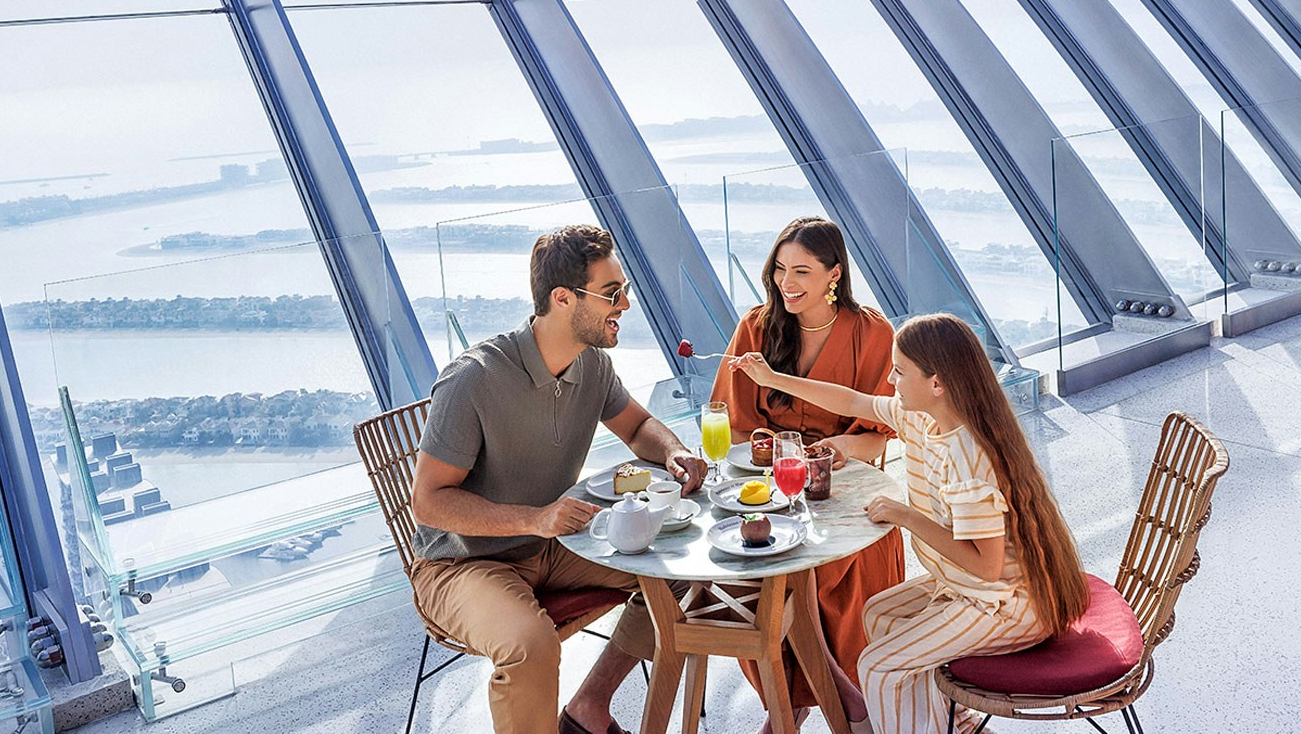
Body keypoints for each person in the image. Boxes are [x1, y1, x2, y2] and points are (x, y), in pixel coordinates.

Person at [408, 224, 708, 734]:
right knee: (531, 647)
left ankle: (590, 705)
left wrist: (675, 451)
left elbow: (637, 426)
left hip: (555, 546)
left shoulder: (591, 365)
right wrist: (537, 517)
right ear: (563, 298)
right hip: (461, 564)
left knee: (683, 570)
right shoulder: (473, 379)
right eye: (612, 294)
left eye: (626, 291)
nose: (626, 306)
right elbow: (429, 502)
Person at [729, 313, 1089, 734]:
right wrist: (772, 378)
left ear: (937, 384)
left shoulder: (969, 458)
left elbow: (988, 568)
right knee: (878, 614)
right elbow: (850, 401)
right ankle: (954, 724)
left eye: (899, 372)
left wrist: (906, 516)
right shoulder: (921, 415)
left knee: (878, 667)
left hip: (1004, 604)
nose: (888, 381)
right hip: (963, 587)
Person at [709, 217, 905, 732]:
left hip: (847, 493)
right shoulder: (755, 327)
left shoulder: (872, 333)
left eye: (801, 271)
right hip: (771, 491)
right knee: (751, 576)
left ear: (833, 274)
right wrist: (768, 452)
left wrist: (838, 447)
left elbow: (880, 434)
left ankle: (792, 710)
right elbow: (733, 432)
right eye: (779, 269)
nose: (786, 283)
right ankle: (813, 702)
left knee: (822, 575)